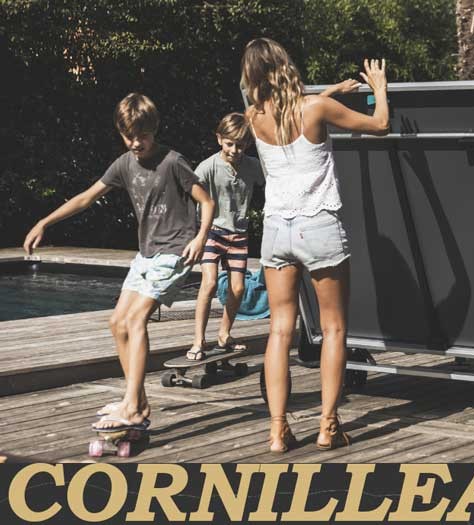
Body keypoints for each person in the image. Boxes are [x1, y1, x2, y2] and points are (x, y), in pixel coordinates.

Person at [23, 93, 214, 430]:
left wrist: (200, 238)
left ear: (154, 130)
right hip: (146, 254)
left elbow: (207, 201)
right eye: (129, 136)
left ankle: (133, 407)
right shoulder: (124, 164)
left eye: (143, 135)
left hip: (174, 251)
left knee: (136, 320)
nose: (136, 143)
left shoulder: (173, 161)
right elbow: (86, 197)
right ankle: (136, 400)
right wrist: (44, 222)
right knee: (117, 323)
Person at [241, 37, 389, 452]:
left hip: (277, 230)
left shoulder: (253, 117)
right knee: (333, 327)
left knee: (279, 330)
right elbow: (380, 125)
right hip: (318, 225)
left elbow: (290, 109)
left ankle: (277, 431)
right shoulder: (316, 109)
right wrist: (379, 89)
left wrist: (331, 92)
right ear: (284, 66)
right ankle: (328, 426)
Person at [187, 113, 265, 360]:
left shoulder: (252, 166)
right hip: (212, 231)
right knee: (209, 283)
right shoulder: (208, 167)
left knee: (238, 287)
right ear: (219, 139)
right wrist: (194, 233)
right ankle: (198, 339)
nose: (234, 150)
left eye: (240, 145)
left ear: (248, 144)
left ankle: (224, 333)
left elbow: (272, 182)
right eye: (229, 144)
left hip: (238, 234)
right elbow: (189, 193)